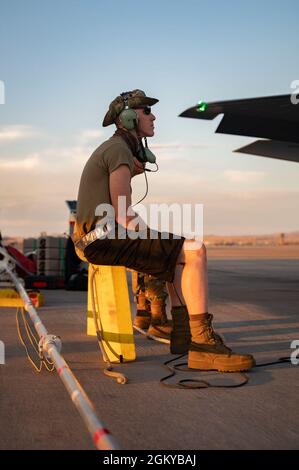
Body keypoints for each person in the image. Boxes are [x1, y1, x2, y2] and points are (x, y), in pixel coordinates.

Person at [73, 89, 255, 372]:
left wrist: (157, 237)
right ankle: (203, 345)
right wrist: (153, 235)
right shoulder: (118, 151)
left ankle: (186, 337)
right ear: (130, 118)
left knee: (177, 253)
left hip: (98, 238)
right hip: (101, 240)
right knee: (195, 251)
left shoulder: (116, 149)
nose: (154, 116)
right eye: (147, 111)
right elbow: (123, 213)